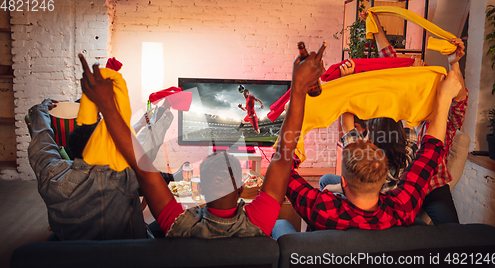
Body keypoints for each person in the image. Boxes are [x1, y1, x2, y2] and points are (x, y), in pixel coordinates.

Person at [77, 42, 326, 238]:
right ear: (241, 188)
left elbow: (143, 171)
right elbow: (283, 159)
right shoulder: (259, 222)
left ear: (201, 191)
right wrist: (299, 86)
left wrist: (108, 106)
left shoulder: (177, 224)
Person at [281, 62, 463, 231]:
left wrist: (295, 110)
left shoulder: (321, 209)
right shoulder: (403, 208)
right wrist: (444, 97)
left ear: (343, 182)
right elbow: (430, 153)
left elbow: (282, 169)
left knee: (281, 225)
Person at [27, 99, 148, 240]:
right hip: (126, 255)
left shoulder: (51, 174)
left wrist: (40, 110)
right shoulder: (125, 177)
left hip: (71, 253)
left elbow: (42, 142)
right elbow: (148, 170)